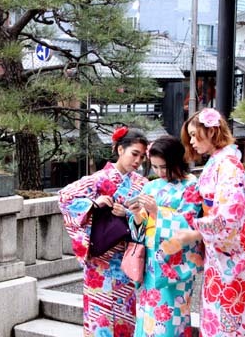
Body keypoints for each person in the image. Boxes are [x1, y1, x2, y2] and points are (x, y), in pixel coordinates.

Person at [176, 108, 245, 336]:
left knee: (226, 315)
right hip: (220, 251)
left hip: (229, 251)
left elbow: (229, 216)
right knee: (216, 313)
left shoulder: (228, 165)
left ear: (212, 131)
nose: (192, 141)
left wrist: (195, 234)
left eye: (195, 135)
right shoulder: (219, 161)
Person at [58, 127, 149, 337]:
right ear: (119, 150)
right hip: (100, 263)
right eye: (134, 154)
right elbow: (64, 198)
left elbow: (149, 220)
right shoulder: (97, 180)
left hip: (128, 261)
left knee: (128, 320)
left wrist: (127, 213)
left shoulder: (142, 184)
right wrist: (93, 203)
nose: (137, 161)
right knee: (101, 321)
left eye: (142, 157)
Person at [127, 136, 203, 337]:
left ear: (177, 161)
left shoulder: (191, 185)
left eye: (164, 167)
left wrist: (157, 213)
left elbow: (189, 224)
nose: (160, 172)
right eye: (155, 167)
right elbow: (140, 228)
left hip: (174, 262)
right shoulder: (151, 186)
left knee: (171, 316)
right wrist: (136, 214)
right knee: (147, 314)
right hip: (151, 260)